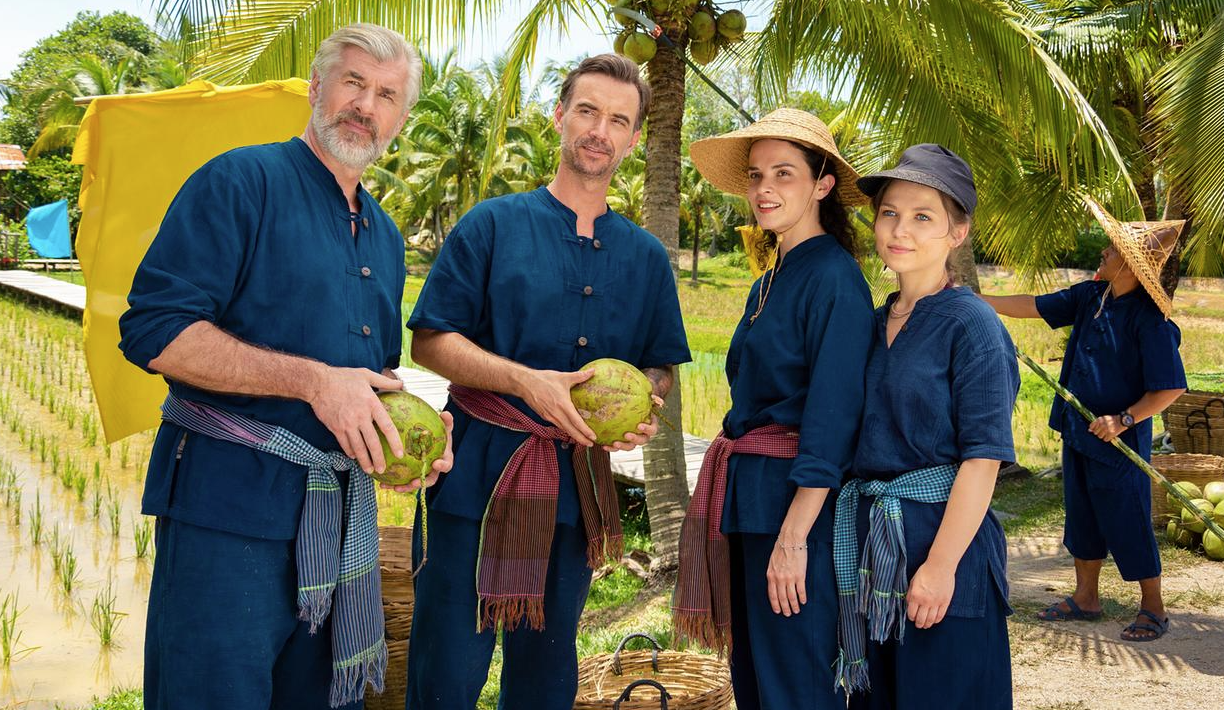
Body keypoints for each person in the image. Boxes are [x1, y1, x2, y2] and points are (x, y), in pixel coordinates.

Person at [118, 24, 453, 710]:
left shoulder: (385, 236)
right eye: (354, 82)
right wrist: (311, 381)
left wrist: (411, 441)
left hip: (332, 529)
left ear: (400, 118)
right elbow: (154, 330)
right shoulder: (241, 181)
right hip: (227, 514)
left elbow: (364, 382)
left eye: (387, 95)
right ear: (316, 88)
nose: (366, 105)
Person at [402, 53, 691, 710]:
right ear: (560, 117)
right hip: (475, 478)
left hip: (575, 491)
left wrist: (643, 405)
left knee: (544, 678)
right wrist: (525, 383)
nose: (600, 130)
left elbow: (661, 364)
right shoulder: (492, 225)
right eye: (587, 111)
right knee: (446, 673)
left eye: (619, 120)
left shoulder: (645, 258)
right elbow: (430, 339)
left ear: (634, 139)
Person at [673, 108, 874, 710]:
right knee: (755, 679)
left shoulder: (834, 278)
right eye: (757, 175)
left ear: (821, 184)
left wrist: (793, 538)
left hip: (794, 507)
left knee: (796, 681)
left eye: (784, 174)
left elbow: (833, 418)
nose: (765, 189)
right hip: (750, 496)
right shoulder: (770, 278)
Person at [836, 144, 1019, 709]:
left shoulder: (974, 325)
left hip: (944, 550)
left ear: (956, 233)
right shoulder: (865, 324)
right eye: (890, 212)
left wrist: (940, 567)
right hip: (871, 550)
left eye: (923, 216)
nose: (900, 229)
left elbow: (983, 459)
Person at [981, 199, 1187, 642]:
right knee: (1083, 515)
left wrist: (1124, 419)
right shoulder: (1091, 296)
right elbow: (1034, 304)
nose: (1104, 254)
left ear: (1130, 265)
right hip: (1078, 432)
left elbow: (1169, 389)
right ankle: (1086, 597)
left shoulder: (1151, 321)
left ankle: (1154, 607)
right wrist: (978, 300)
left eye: (1112, 250)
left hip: (1118, 443)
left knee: (1127, 517)